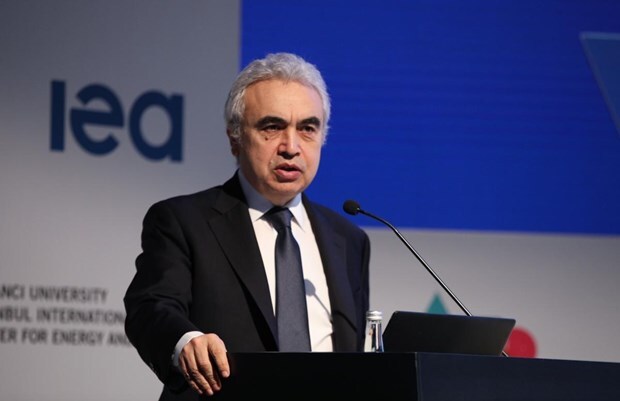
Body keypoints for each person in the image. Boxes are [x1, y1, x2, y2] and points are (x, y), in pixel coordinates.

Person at [124, 52, 371, 400]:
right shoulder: (183, 221)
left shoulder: (348, 239)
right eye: (272, 127)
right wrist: (185, 342)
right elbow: (151, 308)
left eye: (307, 128)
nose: (291, 147)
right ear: (235, 138)